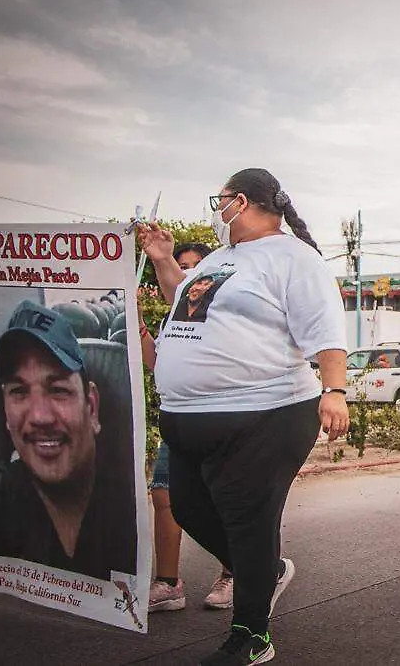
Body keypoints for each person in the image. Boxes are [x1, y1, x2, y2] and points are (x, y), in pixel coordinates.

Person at [139, 168, 351, 664]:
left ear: (244, 201)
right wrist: (165, 260)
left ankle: (252, 635)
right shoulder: (220, 259)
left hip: (267, 412)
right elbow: (187, 303)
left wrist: (334, 390)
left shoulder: (295, 258)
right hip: (189, 417)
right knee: (188, 509)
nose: (217, 211)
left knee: (248, 520)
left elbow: (326, 327)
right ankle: (265, 572)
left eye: (221, 200)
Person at [0, 300, 137, 580]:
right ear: (5, 414)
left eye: (58, 390)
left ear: (91, 407)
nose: (40, 416)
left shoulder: (129, 505)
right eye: (19, 391)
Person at [139, 242, 235, 613]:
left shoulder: (227, 316)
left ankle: (233, 573)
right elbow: (155, 363)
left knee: (224, 499)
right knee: (164, 495)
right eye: (182, 267)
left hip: (222, 418)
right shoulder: (172, 321)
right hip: (179, 418)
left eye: (197, 267)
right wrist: (140, 326)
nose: (190, 276)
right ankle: (167, 583)